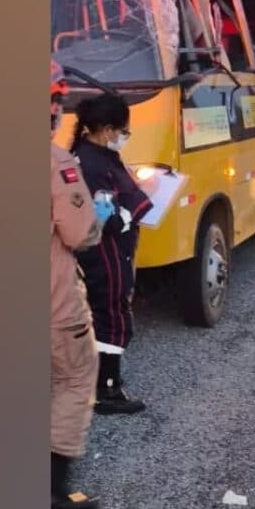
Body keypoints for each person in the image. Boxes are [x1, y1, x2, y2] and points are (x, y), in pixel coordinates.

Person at [71, 91, 154, 415]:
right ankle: (107, 388)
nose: (124, 138)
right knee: (111, 312)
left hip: (109, 251)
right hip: (105, 253)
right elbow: (102, 214)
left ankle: (101, 381)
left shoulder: (91, 153)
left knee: (106, 311)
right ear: (106, 130)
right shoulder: (91, 163)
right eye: (123, 132)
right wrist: (128, 216)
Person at [49, 62, 106, 509]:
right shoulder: (57, 163)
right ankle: (53, 487)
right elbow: (79, 233)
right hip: (52, 302)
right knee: (73, 378)